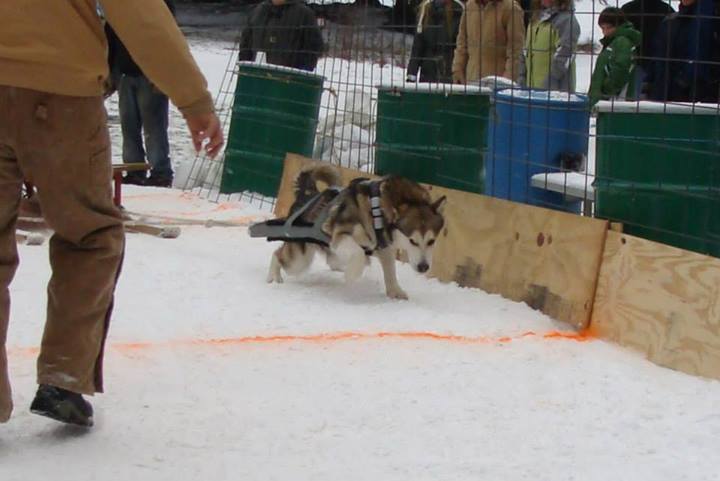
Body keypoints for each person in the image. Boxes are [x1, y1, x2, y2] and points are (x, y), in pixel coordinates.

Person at [0, 0, 224, 427]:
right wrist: (193, 100)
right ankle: (64, 379)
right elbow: (140, 15)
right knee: (91, 236)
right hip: (61, 97)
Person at [106, 0, 178, 188]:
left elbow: (168, 38)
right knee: (129, 126)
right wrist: (111, 71)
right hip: (125, 72)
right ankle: (134, 170)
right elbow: (110, 35)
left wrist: (163, 73)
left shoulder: (160, 5)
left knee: (154, 127)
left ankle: (160, 172)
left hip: (151, 74)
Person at [649, 0, 720, 102]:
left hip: (705, 94)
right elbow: (659, 64)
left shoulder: (710, 19)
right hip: (673, 94)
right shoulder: (670, 21)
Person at [451, 0, 526, 84]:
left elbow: (515, 51)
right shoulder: (470, 6)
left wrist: (507, 81)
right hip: (471, 81)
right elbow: (462, 44)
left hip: (497, 84)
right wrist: (457, 69)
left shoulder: (511, 8)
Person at [238, 0, 325, 72]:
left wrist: (302, 72)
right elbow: (245, 43)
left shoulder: (304, 14)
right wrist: (245, 68)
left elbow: (314, 47)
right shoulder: (258, 11)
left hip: (288, 79)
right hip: (256, 76)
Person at [519, 0, 581, 92]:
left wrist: (549, 83)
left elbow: (564, 55)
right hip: (531, 91)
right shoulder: (535, 20)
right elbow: (525, 51)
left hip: (556, 94)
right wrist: (521, 77)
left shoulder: (567, 21)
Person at [588, 8, 642, 105]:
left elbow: (621, 68)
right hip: (610, 98)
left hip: (614, 99)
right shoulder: (613, 41)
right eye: (602, 28)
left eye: (608, 28)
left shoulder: (622, 42)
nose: (605, 32)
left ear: (619, 26)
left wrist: (605, 91)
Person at [620, 0, 674, 95]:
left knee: (633, 102)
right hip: (658, 65)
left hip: (637, 63)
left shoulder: (627, 9)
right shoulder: (666, 9)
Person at [406, 0, 465, 83]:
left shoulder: (460, 9)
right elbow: (417, 47)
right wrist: (411, 75)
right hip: (428, 75)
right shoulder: (425, 10)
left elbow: (462, 45)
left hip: (450, 73)